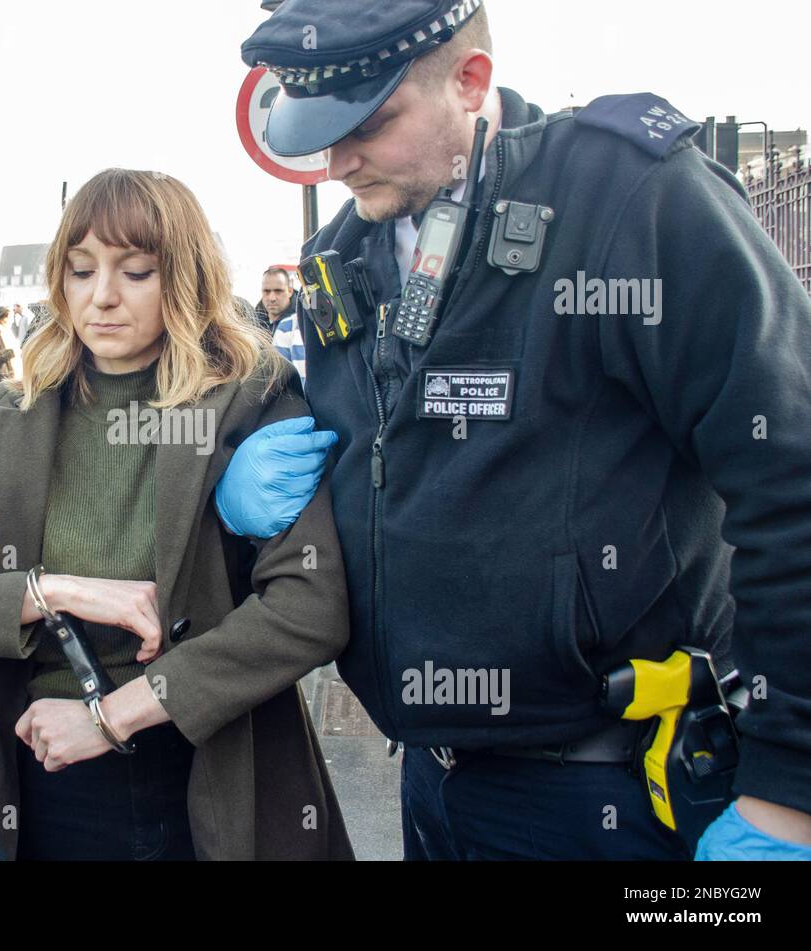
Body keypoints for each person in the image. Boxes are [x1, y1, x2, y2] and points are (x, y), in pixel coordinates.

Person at [233, 0, 811, 860]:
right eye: (321, 130)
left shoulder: (629, 198)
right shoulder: (339, 253)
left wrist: (787, 793)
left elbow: (789, 477)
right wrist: (253, 498)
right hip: (433, 784)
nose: (339, 158)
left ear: (470, 81)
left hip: (611, 793)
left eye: (371, 122)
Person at [0, 168, 353, 861]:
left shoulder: (249, 397)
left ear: (183, 277)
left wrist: (112, 715)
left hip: (211, 765)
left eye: (137, 271)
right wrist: (41, 592)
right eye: (81, 269)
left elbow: (311, 608)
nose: (102, 297)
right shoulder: (14, 413)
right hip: (48, 773)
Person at [256, 268, 307, 381]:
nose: (272, 298)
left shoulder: (300, 324)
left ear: (289, 291)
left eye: (278, 291)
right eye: (267, 291)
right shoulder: (254, 324)